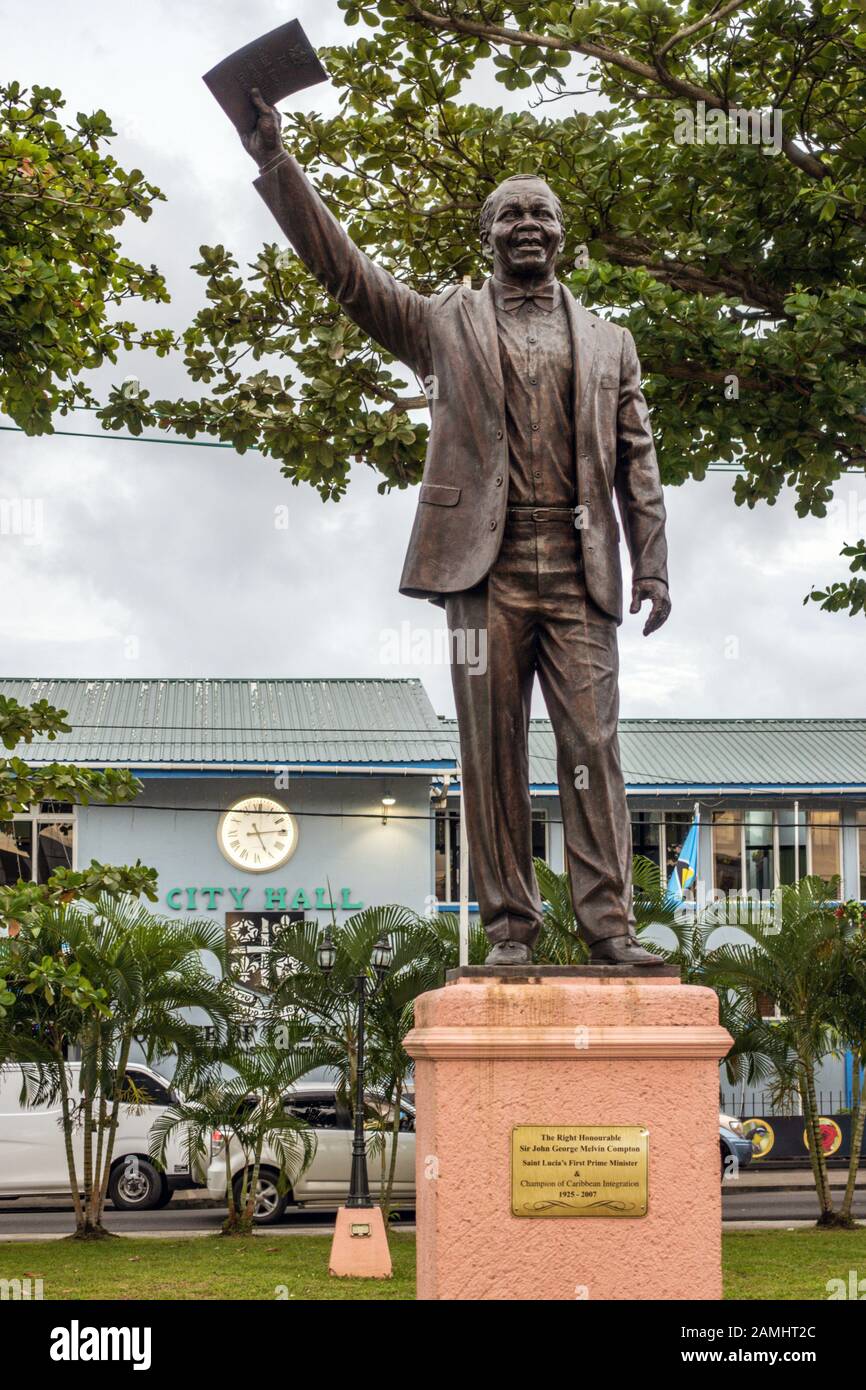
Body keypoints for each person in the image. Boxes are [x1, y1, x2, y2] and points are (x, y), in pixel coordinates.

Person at [240, 91, 671, 966]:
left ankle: (609, 929)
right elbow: (348, 275)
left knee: (593, 748)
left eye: (540, 213)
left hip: (581, 568)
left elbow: (638, 460)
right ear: (487, 236)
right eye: (509, 213)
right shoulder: (443, 323)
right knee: (491, 750)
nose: (526, 225)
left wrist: (653, 566)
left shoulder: (612, 341)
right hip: (484, 571)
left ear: (561, 233)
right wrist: (278, 165)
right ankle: (510, 926)